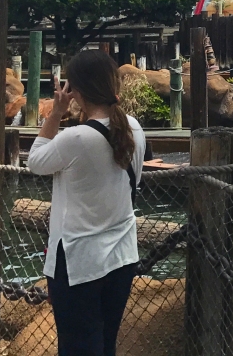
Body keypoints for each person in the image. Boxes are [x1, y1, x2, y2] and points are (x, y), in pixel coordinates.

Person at [27, 50, 147, 356]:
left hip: (78, 261)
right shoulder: (134, 127)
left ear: (75, 91)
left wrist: (56, 113)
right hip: (121, 256)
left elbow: (35, 161)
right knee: (106, 344)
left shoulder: (77, 137)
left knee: (78, 346)